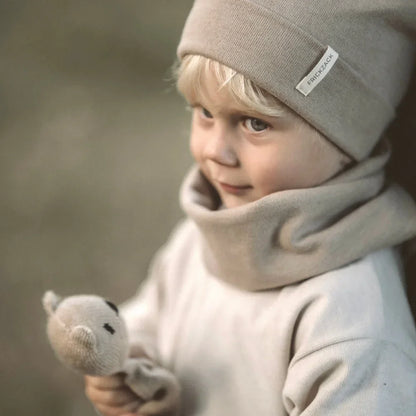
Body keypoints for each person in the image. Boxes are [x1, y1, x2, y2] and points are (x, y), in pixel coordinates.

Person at [84, 1, 416, 415]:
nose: (214, 151)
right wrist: (133, 366)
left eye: (255, 123)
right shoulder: (204, 231)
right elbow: (151, 318)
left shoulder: (351, 318)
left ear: (348, 139)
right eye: (204, 112)